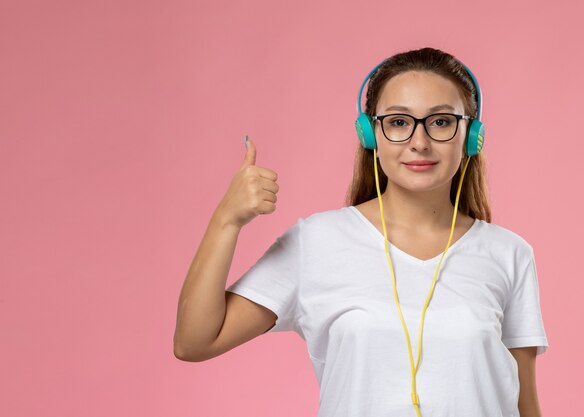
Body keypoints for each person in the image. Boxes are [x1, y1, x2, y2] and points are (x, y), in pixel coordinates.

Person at [173, 47, 549, 417]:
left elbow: (524, 403)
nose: (420, 142)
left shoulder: (509, 253)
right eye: (399, 122)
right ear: (371, 134)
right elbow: (194, 341)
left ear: (471, 136)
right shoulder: (316, 242)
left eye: (441, 121)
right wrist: (227, 220)